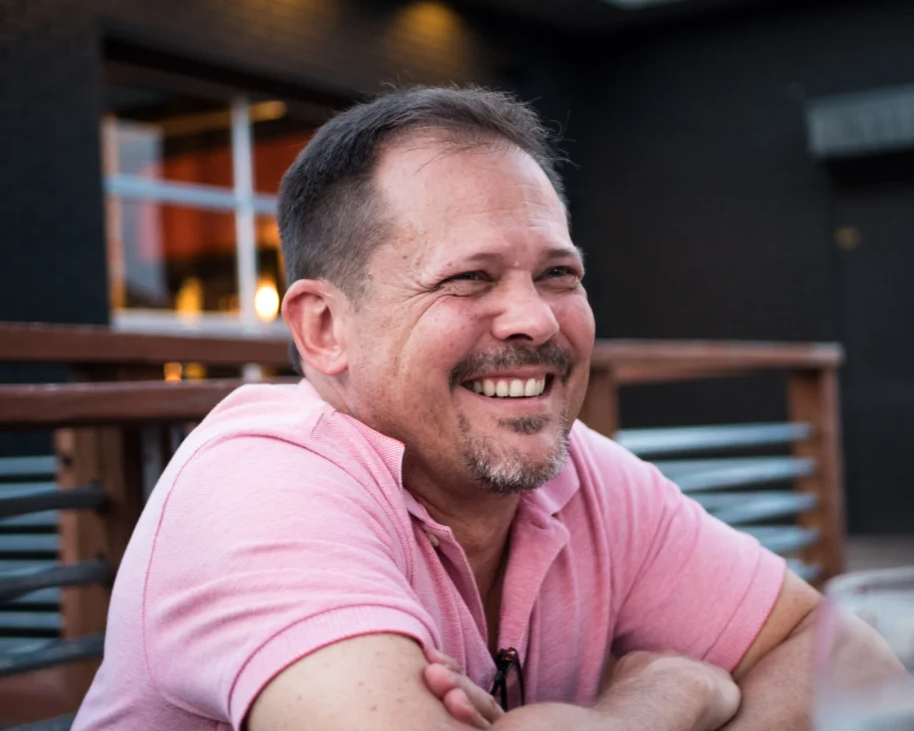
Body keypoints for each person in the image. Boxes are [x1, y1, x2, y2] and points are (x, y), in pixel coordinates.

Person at [72, 86, 824, 731]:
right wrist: (667, 696)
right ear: (325, 329)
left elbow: (842, 653)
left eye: (559, 274)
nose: (535, 318)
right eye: (470, 278)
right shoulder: (257, 485)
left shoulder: (583, 477)